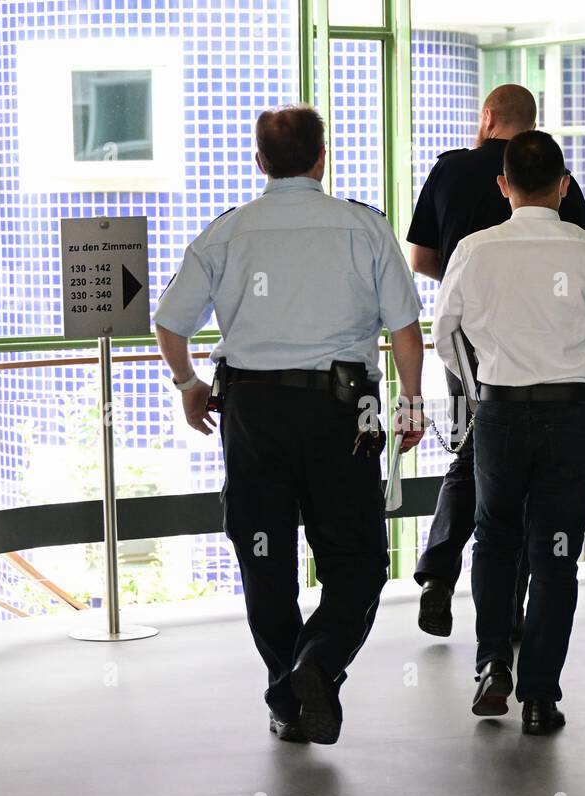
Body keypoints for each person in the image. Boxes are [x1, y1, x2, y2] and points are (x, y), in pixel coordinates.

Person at [154, 105, 425, 746]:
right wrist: (412, 403)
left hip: (251, 414)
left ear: (259, 161)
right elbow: (406, 333)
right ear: (321, 158)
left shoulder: (228, 232)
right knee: (356, 561)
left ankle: (288, 692)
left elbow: (171, 323)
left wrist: (191, 385)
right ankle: (316, 667)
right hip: (344, 412)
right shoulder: (364, 227)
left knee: (264, 558)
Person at [432, 131, 585, 734]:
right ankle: (540, 697)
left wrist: (478, 384)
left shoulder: (473, 249)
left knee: (494, 540)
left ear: (503, 184)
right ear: (563, 186)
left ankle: (493, 664)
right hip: (572, 411)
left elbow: (444, 331)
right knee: (557, 554)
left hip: (500, 411)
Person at [406, 84, 585, 640]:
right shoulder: (558, 182)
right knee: (525, 477)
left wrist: (478, 292)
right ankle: (509, 614)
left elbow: (420, 258)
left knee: (475, 454)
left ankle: (439, 575)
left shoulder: (449, 171)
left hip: (465, 344)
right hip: (541, 355)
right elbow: (581, 258)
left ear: (487, 118)